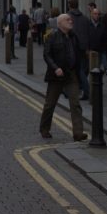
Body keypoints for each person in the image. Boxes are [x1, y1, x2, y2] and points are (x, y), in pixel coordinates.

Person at [39, 13, 87, 141]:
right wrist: (55, 68)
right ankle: (44, 129)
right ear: (60, 23)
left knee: (75, 104)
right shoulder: (52, 37)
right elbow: (47, 55)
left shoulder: (73, 37)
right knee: (50, 104)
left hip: (71, 74)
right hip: (56, 76)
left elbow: (79, 54)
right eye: (67, 20)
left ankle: (78, 133)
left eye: (71, 19)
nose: (71, 21)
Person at [67, 0, 91, 100]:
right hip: (83, 47)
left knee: (75, 70)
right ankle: (79, 88)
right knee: (82, 69)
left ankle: (87, 91)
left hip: (72, 47)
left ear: (69, 5)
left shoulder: (67, 18)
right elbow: (89, 34)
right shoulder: (85, 18)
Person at [88, 7, 107, 73]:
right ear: (91, 14)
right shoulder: (87, 25)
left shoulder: (102, 25)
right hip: (90, 51)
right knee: (91, 71)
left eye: (98, 14)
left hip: (100, 51)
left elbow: (104, 38)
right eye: (95, 14)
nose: (97, 16)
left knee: (99, 72)